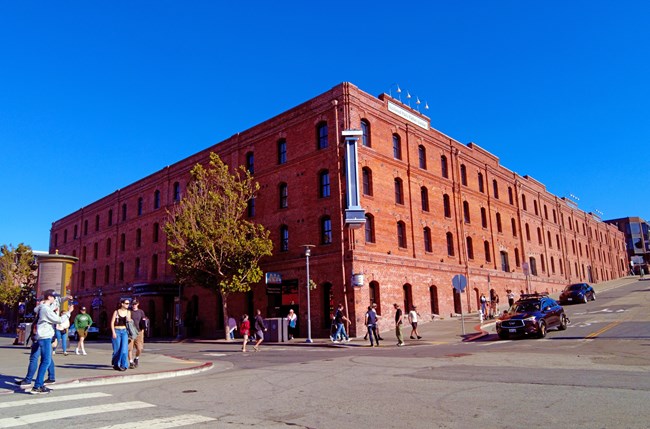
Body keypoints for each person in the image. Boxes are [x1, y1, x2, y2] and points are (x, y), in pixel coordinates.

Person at [24, 290, 73, 394]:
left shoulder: (43, 306)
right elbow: (58, 320)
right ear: (49, 297)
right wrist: (69, 312)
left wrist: (66, 298)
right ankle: (37, 386)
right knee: (46, 361)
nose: (55, 299)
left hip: (41, 336)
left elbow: (58, 301)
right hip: (45, 337)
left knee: (42, 360)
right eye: (53, 297)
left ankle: (39, 384)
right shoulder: (46, 309)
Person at [110, 298, 132, 371]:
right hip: (117, 331)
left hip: (124, 331)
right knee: (117, 349)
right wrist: (113, 332)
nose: (128, 305)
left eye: (128, 303)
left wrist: (129, 320)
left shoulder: (128, 312)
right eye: (126, 303)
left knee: (124, 349)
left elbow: (129, 321)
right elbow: (112, 322)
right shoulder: (116, 312)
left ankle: (124, 365)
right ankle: (116, 364)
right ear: (122, 304)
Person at [128, 299, 147, 369]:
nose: (134, 305)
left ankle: (136, 358)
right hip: (131, 332)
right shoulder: (129, 312)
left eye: (135, 304)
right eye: (133, 304)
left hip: (139, 332)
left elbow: (143, 321)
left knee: (140, 348)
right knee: (130, 348)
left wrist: (143, 330)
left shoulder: (141, 312)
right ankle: (130, 362)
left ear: (138, 304)